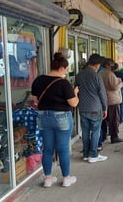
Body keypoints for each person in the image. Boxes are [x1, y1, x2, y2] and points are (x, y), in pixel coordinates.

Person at [31, 53, 79, 187]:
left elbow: (35, 100)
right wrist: (75, 94)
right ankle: (66, 178)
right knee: (63, 148)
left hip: (43, 116)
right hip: (61, 117)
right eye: (66, 68)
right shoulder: (64, 83)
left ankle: (48, 178)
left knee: (47, 148)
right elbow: (74, 103)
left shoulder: (38, 80)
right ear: (62, 68)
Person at [75, 54, 108, 163]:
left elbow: (76, 91)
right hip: (95, 107)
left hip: (83, 107)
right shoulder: (96, 75)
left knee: (85, 131)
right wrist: (105, 107)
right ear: (97, 64)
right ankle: (93, 155)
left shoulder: (79, 75)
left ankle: (85, 154)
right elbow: (102, 93)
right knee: (95, 131)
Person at [100, 58, 123, 143]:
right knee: (114, 119)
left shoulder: (101, 73)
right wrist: (121, 83)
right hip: (112, 100)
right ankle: (114, 137)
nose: (113, 65)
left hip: (105, 99)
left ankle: (103, 136)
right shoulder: (109, 74)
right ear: (107, 65)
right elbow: (114, 87)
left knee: (104, 120)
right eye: (112, 64)